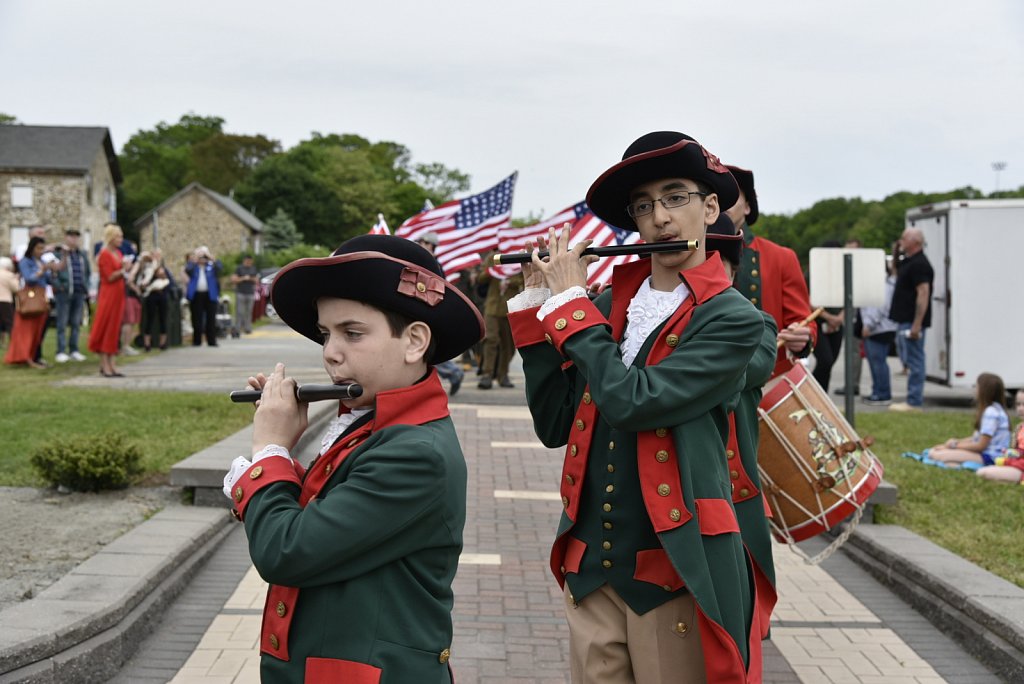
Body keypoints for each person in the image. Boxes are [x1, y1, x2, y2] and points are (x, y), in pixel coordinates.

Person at [508, 131, 764, 682]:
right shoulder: (605, 307)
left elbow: (633, 403)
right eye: (644, 206)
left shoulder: (732, 318)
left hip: (673, 569)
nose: (661, 218)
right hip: (591, 569)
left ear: (711, 207)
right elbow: (555, 424)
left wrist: (572, 309)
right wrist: (537, 305)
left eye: (676, 198)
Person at [221, 234, 484, 682]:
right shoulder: (371, 423)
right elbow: (333, 512)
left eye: (352, 333)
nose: (330, 352)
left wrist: (271, 448)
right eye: (326, 333)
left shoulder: (416, 453)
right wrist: (280, 465)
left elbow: (286, 551)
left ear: (415, 342)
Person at [704, 214, 779, 639]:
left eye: (720, 264)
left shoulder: (757, 323)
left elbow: (743, 369)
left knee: (742, 621)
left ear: (733, 273)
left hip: (735, 490)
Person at [725, 165, 815, 379]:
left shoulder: (781, 257)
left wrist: (803, 336)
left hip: (768, 380)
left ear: (747, 207)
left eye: (731, 196)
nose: (722, 203)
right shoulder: (689, 254)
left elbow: (804, 321)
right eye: (717, 197)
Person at [412, 232, 465, 395]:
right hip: (421, 310)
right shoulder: (425, 262)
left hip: (428, 310)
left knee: (424, 348)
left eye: (423, 242)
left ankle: (453, 373)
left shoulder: (432, 265)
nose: (420, 244)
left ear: (430, 245)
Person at [889, 227, 933, 412]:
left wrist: (917, 324)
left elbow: (923, 293)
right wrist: (896, 251)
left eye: (904, 238)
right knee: (909, 359)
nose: (901, 241)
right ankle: (912, 399)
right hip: (904, 320)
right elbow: (895, 269)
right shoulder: (909, 261)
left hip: (912, 322)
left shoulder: (920, 264)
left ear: (915, 242)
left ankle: (914, 401)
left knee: (915, 361)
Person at [929, 373, 1010, 467]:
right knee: (941, 455)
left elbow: (980, 446)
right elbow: (977, 438)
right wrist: (956, 442)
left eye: (977, 387)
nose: (974, 390)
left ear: (984, 391)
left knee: (934, 454)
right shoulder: (997, 409)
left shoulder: (991, 413)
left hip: (990, 457)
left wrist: (954, 446)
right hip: (990, 455)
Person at [4, 236, 52, 369]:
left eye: (43, 248)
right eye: (38, 248)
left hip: (41, 296)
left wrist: (51, 271)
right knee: (26, 331)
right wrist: (41, 272)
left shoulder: (41, 261)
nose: (41, 251)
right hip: (30, 297)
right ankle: (25, 357)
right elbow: (29, 279)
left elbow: (48, 281)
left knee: (38, 330)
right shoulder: (25, 261)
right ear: (32, 248)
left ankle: (34, 355)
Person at [88, 224, 128, 377]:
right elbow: (109, 277)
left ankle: (112, 363)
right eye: (118, 236)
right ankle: (105, 364)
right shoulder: (104, 254)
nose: (121, 240)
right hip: (108, 294)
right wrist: (123, 270)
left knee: (115, 328)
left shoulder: (118, 253)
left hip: (118, 293)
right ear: (111, 237)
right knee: (107, 326)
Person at [860, 256, 900, 405]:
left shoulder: (881, 284)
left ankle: (882, 393)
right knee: (877, 361)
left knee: (878, 362)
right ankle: (877, 391)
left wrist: (868, 325)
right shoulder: (884, 282)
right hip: (881, 327)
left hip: (879, 328)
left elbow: (879, 307)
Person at [477, 267, 523, 389]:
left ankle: (503, 375)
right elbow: (481, 278)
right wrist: (492, 271)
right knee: (490, 339)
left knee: (508, 345)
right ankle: (487, 374)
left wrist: (510, 281)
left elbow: (524, 280)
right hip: (492, 308)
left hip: (510, 309)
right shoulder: (493, 258)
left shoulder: (518, 260)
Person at [52, 228, 92, 363]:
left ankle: (74, 349)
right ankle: (61, 351)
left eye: (76, 237)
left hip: (79, 292)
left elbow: (87, 272)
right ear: (66, 237)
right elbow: (53, 272)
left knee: (76, 323)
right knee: (62, 322)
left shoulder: (82, 255)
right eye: (71, 236)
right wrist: (59, 286)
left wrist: (85, 286)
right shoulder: (58, 254)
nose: (73, 239)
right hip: (64, 292)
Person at [977, 389, 1024, 484]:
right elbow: (1016, 451)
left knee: (982, 472)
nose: (1020, 409)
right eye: (1018, 404)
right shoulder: (1019, 428)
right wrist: (1010, 453)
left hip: (1020, 468)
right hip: (1016, 464)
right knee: (984, 471)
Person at [185, 246, 223, 347]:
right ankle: (197, 341)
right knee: (196, 319)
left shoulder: (211, 266)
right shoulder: (193, 267)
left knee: (211, 319)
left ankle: (211, 340)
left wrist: (210, 257)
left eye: (204, 257)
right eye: (201, 258)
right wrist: (195, 258)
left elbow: (220, 268)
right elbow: (187, 269)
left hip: (210, 295)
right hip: (196, 295)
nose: (202, 259)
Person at [136, 249, 174, 351]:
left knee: (163, 319)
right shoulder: (148, 270)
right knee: (149, 319)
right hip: (151, 297)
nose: (156, 257)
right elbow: (143, 283)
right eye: (154, 255)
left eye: (158, 255)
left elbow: (170, 283)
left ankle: (163, 343)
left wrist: (163, 283)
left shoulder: (165, 270)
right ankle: (147, 343)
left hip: (162, 297)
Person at [231, 254, 259, 335]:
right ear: (244, 260)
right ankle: (237, 328)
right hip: (240, 292)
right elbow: (234, 279)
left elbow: (256, 280)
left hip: (250, 293)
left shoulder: (253, 268)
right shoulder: (239, 268)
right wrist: (243, 278)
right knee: (239, 311)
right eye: (247, 261)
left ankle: (248, 328)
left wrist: (249, 278)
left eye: (250, 261)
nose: (248, 262)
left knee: (249, 312)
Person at [0, 256, 19, 347]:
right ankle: (13, 343)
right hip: (5, 301)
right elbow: (16, 288)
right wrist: (16, 279)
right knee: (9, 323)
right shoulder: (9, 275)